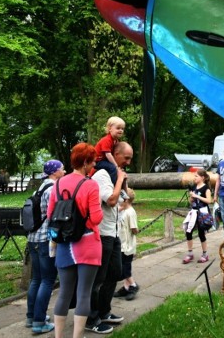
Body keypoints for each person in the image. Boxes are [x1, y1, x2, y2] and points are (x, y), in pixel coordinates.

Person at [47, 143, 103, 338]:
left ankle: (59, 336)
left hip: (64, 244)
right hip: (87, 243)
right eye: (93, 161)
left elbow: (50, 214)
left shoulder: (58, 184)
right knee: (84, 293)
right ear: (86, 163)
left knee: (64, 292)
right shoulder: (90, 184)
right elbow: (96, 218)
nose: (94, 165)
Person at [86, 141, 134, 334]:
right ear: (114, 154)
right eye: (126, 158)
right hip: (102, 234)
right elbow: (111, 200)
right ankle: (91, 318)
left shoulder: (115, 175)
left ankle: (105, 311)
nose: (128, 162)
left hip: (113, 233)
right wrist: (120, 179)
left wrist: (123, 181)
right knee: (98, 279)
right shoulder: (102, 175)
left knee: (115, 273)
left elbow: (126, 198)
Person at [25, 160, 65, 334]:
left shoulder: (38, 189)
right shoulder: (53, 189)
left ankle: (31, 316)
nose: (64, 171)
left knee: (36, 279)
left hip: (32, 238)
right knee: (48, 280)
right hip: (45, 240)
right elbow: (55, 215)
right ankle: (39, 322)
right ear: (55, 172)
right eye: (62, 169)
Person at [182, 169, 213, 264]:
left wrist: (197, 196)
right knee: (188, 231)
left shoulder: (206, 188)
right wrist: (191, 197)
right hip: (194, 212)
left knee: (201, 233)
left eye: (196, 176)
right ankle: (190, 253)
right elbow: (191, 201)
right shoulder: (195, 187)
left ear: (202, 177)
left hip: (202, 213)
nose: (194, 178)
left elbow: (209, 201)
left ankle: (205, 254)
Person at [114, 188, 140, 300]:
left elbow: (134, 228)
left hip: (127, 246)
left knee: (125, 268)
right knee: (123, 266)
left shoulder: (130, 212)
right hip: (121, 244)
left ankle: (133, 285)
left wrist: (135, 231)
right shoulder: (123, 210)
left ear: (126, 199)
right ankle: (126, 287)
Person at [91, 116, 125, 180]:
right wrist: (116, 165)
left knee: (115, 167)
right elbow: (108, 154)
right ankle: (113, 185)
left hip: (104, 160)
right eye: (118, 128)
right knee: (113, 168)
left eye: (122, 129)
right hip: (98, 161)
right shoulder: (107, 140)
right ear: (110, 129)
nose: (121, 130)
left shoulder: (115, 141)